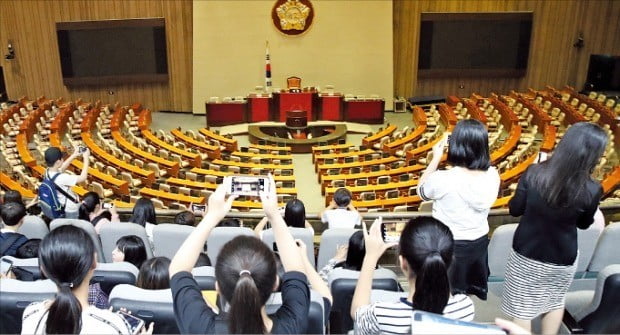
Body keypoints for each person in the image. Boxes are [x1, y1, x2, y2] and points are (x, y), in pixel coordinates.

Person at [169, 177, 314, 334]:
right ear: (275, 283)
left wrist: (211, 217)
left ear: (218, 287)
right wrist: (274, 215)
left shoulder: (201, 328)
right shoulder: (293, 326)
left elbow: (178, 268)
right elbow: (296, 269)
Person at [501, 122, 608, 334]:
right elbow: (584, 224)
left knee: (522, 308)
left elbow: (515, 209)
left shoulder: (534, 173)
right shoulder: (593, 188)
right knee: (555, 302)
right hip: (563, 256)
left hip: (527, 251)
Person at [418, 119, 500, 300]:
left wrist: (436, 158)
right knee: (466, 292)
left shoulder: (444, 179)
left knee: (443, 293)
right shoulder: (493, 175)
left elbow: (422, 191)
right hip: (478, 244)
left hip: (448, 244)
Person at [351, 217, 474, 335]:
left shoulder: (382, 315)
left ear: (403, 263)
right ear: (448, 261)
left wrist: (370, 256)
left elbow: (357, 312)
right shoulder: (465, 307)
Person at [21, 225, 153, 334]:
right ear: (94, 262)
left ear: (43, 269)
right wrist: (108, 321)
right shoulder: (113, 326)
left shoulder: (31, 313)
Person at [43, 146, 90, 219]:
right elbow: (83, 177)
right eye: (62, 158)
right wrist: (86, 158)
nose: (63, 159)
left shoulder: (47, 172)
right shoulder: (62, 178)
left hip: (62, 204)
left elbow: (61, 168)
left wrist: (74, 155)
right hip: (71, 209)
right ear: (58, 162)